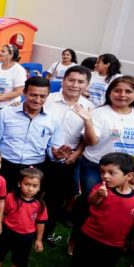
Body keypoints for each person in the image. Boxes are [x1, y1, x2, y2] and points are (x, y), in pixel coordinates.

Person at [76, 76, 134, 201]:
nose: (122, 95)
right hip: (97, 166)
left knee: (120, 202)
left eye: (128, 91)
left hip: (129, 170)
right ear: (109, 93)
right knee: (92, 200)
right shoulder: (99, 113)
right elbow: (92, 142)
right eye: (117, 90)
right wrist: (88, 122)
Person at [41, 66, 93, 244]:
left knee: (55, 199)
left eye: (81, 82)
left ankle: (46, 231)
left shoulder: (89, 108)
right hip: (42, 154)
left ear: (87, 85)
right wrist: (50, 149)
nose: (75, 85)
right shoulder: (47, 100)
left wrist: (76, 154)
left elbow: (87, 137)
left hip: (68, 160)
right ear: (63, 81)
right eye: (71, 80)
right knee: (33, 192)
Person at [0, 167, 47, 267]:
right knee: (0, 252)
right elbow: (4, 214)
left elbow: (40, 222)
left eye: (34, 186)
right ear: (20, 183)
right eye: (27, 184)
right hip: (8, 231)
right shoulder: (10, 197)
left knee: (20, 257)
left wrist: (38, 239)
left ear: (39, 187)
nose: (30, 189)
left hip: (26, 236)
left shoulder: (40, 204)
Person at [0, 77, 59, 191]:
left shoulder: (53, 120)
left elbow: (51, 148)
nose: (37, 100)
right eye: (33, 95)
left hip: (35, 169)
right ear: (24, 92)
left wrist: (57, 154)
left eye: (42, 96)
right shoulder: (6, 113)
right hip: (5, 165)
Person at [0, 44, 27, 113]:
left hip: (8, 107)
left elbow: (19, 91)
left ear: (10, 55)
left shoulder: (19, 70)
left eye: (3, 51)